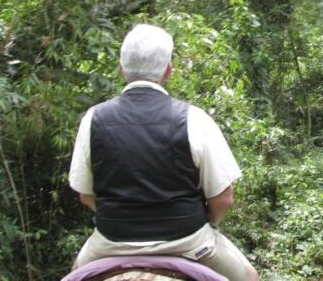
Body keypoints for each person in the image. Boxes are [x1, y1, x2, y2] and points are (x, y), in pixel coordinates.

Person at [68, 24, 258, 281]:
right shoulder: (194, 119)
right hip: (190, 243)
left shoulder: (93, 119)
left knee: (74, 274)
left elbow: (85, 195)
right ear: (168, 70)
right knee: (250, 277)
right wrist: (209, 224)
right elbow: (223, 199)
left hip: (110, 242)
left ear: (121, 68)